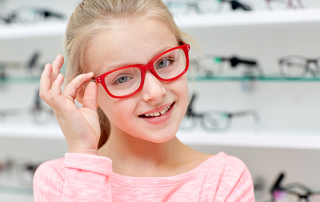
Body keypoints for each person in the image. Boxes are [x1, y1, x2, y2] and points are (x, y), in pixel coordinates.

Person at [33, 0, 255, 201]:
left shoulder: (225, 179)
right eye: (122, 78)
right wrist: (84, 153)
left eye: (164, 62)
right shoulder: (59, 182)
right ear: (85, 91)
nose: (155, 92)